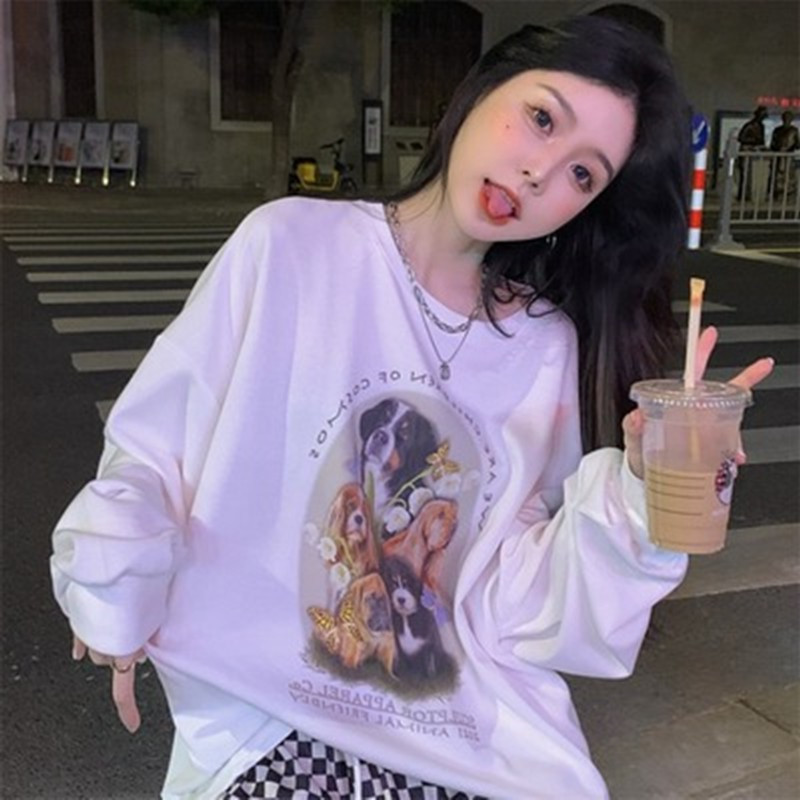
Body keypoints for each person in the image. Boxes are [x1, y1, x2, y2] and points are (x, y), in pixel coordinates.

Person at [51, 16, 774, 800]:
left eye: (581, 173)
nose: (538, 174)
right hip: (272, 717)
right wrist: (114, 586)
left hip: (469, 742)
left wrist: (638, 492)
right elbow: (158, 447)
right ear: (482, 89)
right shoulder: (291, 245)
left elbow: (510, 599)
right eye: (541, 118)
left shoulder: (545, 346)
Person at [736, 105, 768, 200]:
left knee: (752, 175)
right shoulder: (749, 125)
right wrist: (754, 141)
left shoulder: (761, 126)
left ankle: (752, 194)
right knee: (745, 174)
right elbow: (741, 138)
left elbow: (761, 140)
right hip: (747, 151)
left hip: (756, 153)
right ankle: (743, 195)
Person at [769, 110, 800, 196]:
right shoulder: (777, 130)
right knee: (778, 174)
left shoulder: (794, 130)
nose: (787, 120)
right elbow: (773, 143)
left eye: (788, 118)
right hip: (778, 156)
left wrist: (790, 148)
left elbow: (797, 144)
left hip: (789, 156)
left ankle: (789, 192)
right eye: (785, 118)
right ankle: (778, 191)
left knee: (789, 174)